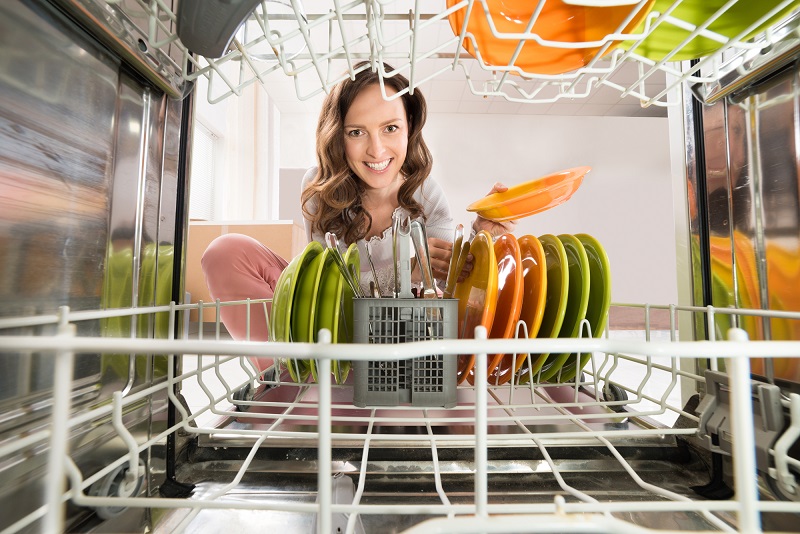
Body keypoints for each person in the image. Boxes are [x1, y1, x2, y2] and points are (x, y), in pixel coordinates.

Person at [201, 62, 514, 346]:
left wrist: (481, 237)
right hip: (334, 328)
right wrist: (406, 273)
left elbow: (452, 279)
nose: (376, 151)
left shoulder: (426, 192)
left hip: (401, 335)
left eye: (390, 128)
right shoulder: (318, 189)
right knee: (225, 252)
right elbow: (327, 291)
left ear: (409, 128)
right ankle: (283, 373)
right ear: (338, 136)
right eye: (356, 132)